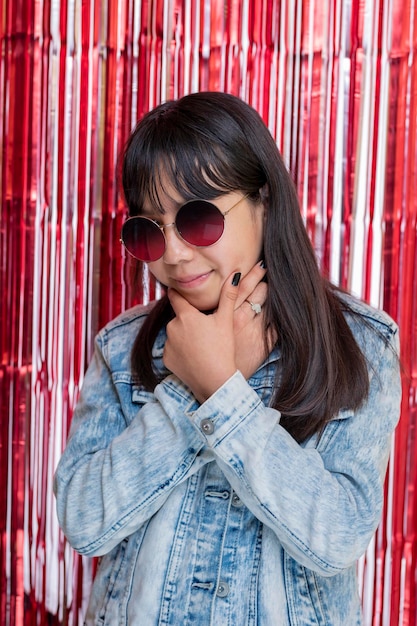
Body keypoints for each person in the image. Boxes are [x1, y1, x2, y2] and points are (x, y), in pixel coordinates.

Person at [54, 91, 401, 625]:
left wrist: (223, 393)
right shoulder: (123, 348)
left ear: (263, 200)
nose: (173, 254)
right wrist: (184, 393)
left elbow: (339, 537)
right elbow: (83, 521)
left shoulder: (356, 345)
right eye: (148, 230)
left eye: (197, 220)